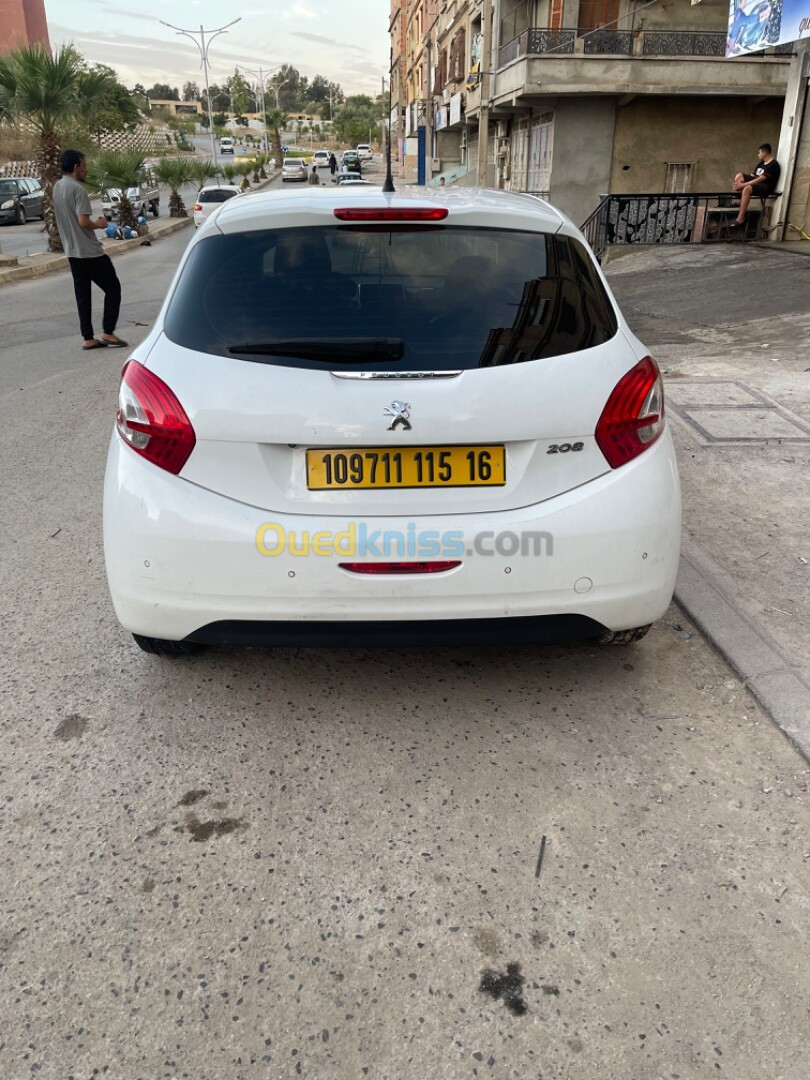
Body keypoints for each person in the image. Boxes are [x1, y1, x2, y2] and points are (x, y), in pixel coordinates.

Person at [52, 149, 128, 351]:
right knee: (113, 288)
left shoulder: (57, 187)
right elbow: (83, 221)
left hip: (72, 251)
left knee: (83, 295)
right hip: (90, 251)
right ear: (76, 167)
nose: (86, 170)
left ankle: (88, 338)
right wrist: (100, 224)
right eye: (84, 167)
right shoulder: (78, 189)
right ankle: (108, 333)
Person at [730, 143, 780, 229]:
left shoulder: (773, 165)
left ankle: (741, 218)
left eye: (759, 152)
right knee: (739, 175)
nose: (758, 155)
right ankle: (739, 201)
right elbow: (753, 176)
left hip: (765, 187)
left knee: (747, 188)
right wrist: (738, 183)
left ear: (764, 152)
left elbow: (759, 180)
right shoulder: (761, 163)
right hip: (757, 183)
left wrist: (742, 185)